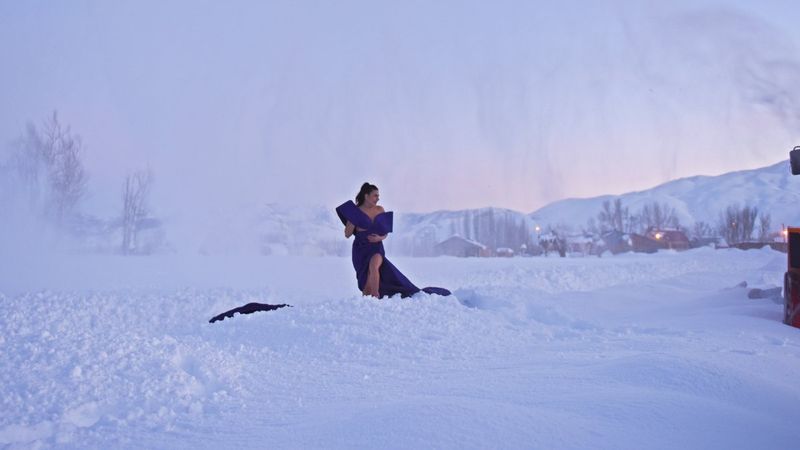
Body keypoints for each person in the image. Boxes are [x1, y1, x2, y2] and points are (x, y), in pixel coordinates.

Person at [336, 182, 451, 298]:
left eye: (378, 195)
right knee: (366, 285)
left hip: (376, 248)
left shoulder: (380, 210)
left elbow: (385, 232)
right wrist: (351, 221)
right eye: (375, 195)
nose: (378, 198)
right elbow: (347, 234)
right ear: (366, 196)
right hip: (360, 250)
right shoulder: (355, 211)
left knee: (374, 266)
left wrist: (379, 238)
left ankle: (376, 296)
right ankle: (367, 301)